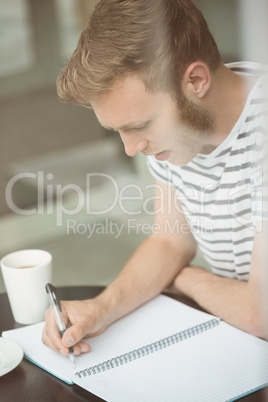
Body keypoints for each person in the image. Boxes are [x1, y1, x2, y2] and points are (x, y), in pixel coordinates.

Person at [42, 0, 268, 357]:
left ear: (196, 80)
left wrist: (185, 277)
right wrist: (101, 307)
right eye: (117, 130)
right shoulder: (179, 135)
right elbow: (170, 243)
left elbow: (261, 313)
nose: (131, 149)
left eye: (140, 125)